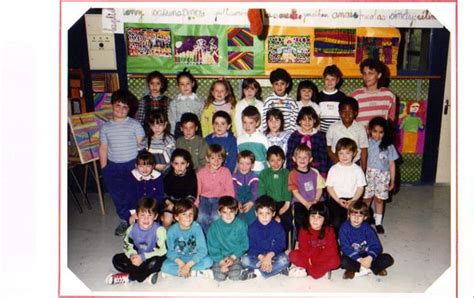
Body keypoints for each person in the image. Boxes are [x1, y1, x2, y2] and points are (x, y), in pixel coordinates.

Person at [99, 89, 145, 236]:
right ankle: (124, 219)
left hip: (132, 165)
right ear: (112, 105)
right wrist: (104, 168)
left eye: (125, 107)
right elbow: (103, 148)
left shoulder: (135, 125)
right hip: (113, 166)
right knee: (117, 195)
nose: (120, 109)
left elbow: (142, 147)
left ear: (129, 109)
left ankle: (136, 219)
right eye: (118, 105)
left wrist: (142, 167)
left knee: (133, 194)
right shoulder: (105, 127)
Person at [106, 197, 167, 285]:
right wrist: (132, 255)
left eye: (150, 215)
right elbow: (127, 245)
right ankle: (144, 274)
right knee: (117, 260)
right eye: (142, 215)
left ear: (155, 216)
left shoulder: (160, 231)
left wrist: (143, 257)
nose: (146, 219)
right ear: (137, 215)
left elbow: (163, 251)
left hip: (151, 257)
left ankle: (130, 277)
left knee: (158, 262)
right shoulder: (131, 229)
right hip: (137, 256)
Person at [339, 200, 394, 279]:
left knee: (388, 259)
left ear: (365, 217)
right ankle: (372, 269)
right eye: (354, 215)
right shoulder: (344, 228)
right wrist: (360, 260)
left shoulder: (368, 229)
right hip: (353, 255)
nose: (356, 218)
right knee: (342, 261)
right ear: (348, 215)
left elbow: (376, 245)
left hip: (367, 254)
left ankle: (359, 270)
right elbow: (345, 247)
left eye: (360, 216)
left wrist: (370, 257)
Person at [363, 117, 399, 234]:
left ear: (385, 132)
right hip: (368, 174)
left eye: (381, 132)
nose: (377, 135)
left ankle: (378, 222)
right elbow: (361, 160)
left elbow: (392, 164)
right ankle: (364, 220)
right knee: (367, 199)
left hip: (383, 176)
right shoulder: (366, 143)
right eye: (375, 131)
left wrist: (393, 181)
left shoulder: (389, 146)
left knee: (379, 200)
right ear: (370, 130)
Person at [161, 199, 213, 279]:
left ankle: (182, 272)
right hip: (179, 259)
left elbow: (203, 250)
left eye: (190, 214)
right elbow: (170, 252)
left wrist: (188, 265)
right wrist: (181, 263)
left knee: (209, 261)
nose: (188, 217)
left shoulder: (197, 227)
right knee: (164, 266)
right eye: (184, 214)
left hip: (194, 258)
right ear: (176, 217)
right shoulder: (171, 231)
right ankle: (194, 272)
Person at [207, 196, 255, 281]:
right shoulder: (214, 227)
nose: (228, 215)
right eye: (225, 212)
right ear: (219, 213)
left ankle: (245, 272)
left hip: (235, 255)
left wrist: (233, 258)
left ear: (236, 211)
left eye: (231, 212)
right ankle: (214, 269)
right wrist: (221, 262)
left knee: (234, 276)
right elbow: (213, 247)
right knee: (219, 278)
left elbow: (244, 244)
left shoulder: (241, 225)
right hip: (220, 257)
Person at [241, 195, 290, 278]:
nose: (264, 217)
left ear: (273, 214)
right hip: (258, 257)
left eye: (268, 213)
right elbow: (251, 246)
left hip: (274, 255)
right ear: (256, 213)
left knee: (285, 260)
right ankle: (276, 269)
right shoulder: (252, 228)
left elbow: (281, 245)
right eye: (261, 213)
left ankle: (257, 272)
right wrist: (261, 257)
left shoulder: (278, 227)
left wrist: (269, 256)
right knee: (244, 261)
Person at [288, 202, 340, 279]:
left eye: (319, 217)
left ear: (324, 220)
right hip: (309, 257)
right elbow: (303, 248)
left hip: (321, 258)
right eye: (313, 216)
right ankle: (321, 272)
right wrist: (312, 257)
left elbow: (332, 250)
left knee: (336, 260)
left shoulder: (329, 230)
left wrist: (314, 259)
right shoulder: (304, 230)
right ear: (308, 217)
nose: (315, 220)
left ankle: (308, 272)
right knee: (292, 255)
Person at [325, 138, 366, 231]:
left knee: (356, 220)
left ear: (354, 153)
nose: (344, 156)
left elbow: (360, 188)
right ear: (337, 154)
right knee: (336, 221)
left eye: (347, 153)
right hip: (337, 199)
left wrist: (353, 200)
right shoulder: (333, 169)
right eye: (341, 153)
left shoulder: (357, 170)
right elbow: (329, 187)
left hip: (353, 199)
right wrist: (338, 200)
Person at [196, 144, 235, 234]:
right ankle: (205, 238)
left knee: (216, 217)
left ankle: (215, 238)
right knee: (201, 216)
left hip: (220, 199)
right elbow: (197, 191)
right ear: (207, 159)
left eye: (219, 158)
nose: (216, 161)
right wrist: (195, 205)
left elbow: (229, 191)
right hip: (204, 199)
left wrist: (228, 204)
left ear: (223, 160)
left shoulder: (226, 172)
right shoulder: (201, 173)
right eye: (213, 158)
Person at [288, 144, 325, 236]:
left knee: (323, 215)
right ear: (294, 159)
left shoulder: (315, 172)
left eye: (305, 157)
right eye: (299, 157)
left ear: (310, 159)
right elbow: (295, 192)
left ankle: (320, 237)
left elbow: (319, 188)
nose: (302, 160)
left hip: (316, 200)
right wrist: (306, 204)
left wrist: (315, 200)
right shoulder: (293, 174)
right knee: (300, 218)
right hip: (301, 202)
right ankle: (300, 239)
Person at [350, 58, 397, 130]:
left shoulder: (389, 95)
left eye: (370, 73)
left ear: (379, 75)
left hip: (380, 139)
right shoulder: (355, 95)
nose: (366, 77)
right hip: (360, 138)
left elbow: (391, 120)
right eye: (364, 73)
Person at [326, 97, 368, 172]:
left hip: (354, 164)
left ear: (355, 113)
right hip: (336, 163)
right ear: (339, 113)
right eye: (344, 112)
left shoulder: (360, 128)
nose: (347, 114)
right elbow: (328, 147)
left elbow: (364, 150)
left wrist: (363, 170)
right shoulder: (333, 127)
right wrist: (336, 160)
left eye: (350, 112)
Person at [258, 146, 292, 236]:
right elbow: (261, 192)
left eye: (279, 160)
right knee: (266, 221)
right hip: (268, 204)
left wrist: (286, 205)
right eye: (272, 160)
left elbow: (287, 189)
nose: (276, 163)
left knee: (286, 222)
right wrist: (268, 209)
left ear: (283, 160)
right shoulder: (264, 173)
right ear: (268, 161)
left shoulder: (286, 173)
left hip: (283, 203)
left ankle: (280, 244)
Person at [286, 107, 329, 177]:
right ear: (299, 121)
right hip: (297, 171)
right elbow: (290, 156)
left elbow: (323, 157)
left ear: (314, 120)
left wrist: (323, 175)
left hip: (316, 171)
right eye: (304, 119)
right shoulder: (294, 136)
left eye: (310, 119)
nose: (307, 122)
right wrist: (291, 173)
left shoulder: (320, 136)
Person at [125, 151, 164, 224]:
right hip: (137, 207)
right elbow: (130, 195)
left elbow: (159, 195)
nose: (145, 169)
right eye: (141, 166)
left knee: (153, 223)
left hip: (153, 208)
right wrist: (133, 213)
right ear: (136, 166)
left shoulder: (158, 176)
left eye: (148, 166)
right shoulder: (132, 176)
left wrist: (152, 211)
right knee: (133, 221)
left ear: (153, 166)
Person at [163, 148, 197, 229]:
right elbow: (164, 193)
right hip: (171, 203)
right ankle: (165, 238)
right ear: (172, 164)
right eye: (176, 163)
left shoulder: (191, 176)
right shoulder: (168, 175)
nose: (179, 167)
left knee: (185, 219)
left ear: (187, 164)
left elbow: (192, 195)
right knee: (167, 220)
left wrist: (181, 208)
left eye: (182, 163)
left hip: (186, 204)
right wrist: (168, 203)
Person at [168, 68, 204, 137]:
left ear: (192, 84)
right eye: (182, 84)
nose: (185, 86)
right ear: (178, 85)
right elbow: (172, 120)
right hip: (180, 129)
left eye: (188, 83)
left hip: (195, 129)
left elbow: (202, 118)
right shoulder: (174, 102)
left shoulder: (200, 101)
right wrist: (172, 133)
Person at [262, 68, 298, 132]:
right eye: (276, 84)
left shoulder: (292, 102)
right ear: (272, 85)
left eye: (282, 83)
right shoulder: (269, 101)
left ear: (287, 85)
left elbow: (294, 121)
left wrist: (292, 135)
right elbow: (265, 120)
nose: (279, 86)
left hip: (287, 135)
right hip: (272, 135)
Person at [237, 106, 270, 174]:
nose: (247, 126)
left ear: (257, 123)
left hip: (260, 173)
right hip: (244, 173)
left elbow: (268, 158)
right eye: (244, 122)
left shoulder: (262, 139)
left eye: (251, 123)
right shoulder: (239, 139)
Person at [317, 64, 347, 134]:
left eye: (333, 79)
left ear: (337, 80)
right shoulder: (318, 96)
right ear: (323, 79)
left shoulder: (342, 97)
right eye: (327, 79)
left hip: (338, 131)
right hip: (322, 132)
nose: (330, 82)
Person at [143, 109, 175, 173]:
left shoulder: (170, 139)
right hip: (152, 170)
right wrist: (154, 165)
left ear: (165, 125)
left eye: (160, 125)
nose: (157, 128)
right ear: (150, 126)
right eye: (154, 125)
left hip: (168, 170)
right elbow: (144, 157)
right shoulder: (146, 140)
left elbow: (174, 156)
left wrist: (168, 165)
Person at [232, 150, 259, 225]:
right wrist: (237, 202)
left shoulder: (254, 178)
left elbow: (256, 192)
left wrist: (251, 202)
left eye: (247, 164)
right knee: (237, 220)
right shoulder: (234, 177)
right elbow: (233, 191)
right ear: (237, 164)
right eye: (241, 163)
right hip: (237, 202)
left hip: (251, 202)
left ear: (252, 165)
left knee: (252, 219)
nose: (244, 167)